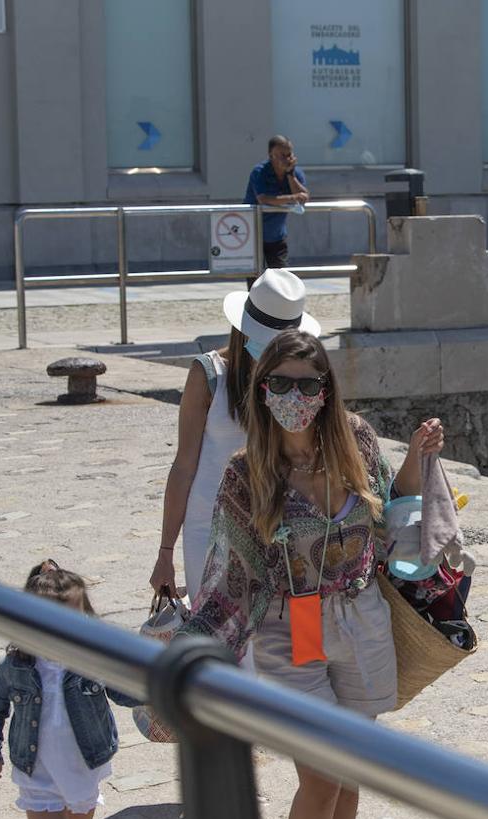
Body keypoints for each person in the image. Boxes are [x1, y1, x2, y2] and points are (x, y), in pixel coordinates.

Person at [178, 330, 442, 819]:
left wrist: (418, 461)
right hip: (291, 627)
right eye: (279, 383)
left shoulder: (359, 442)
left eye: (306, 384)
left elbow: (386, 519)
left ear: (326, 390)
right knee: (321, 777)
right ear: (261, 390)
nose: (293, 395)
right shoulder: (245, 475)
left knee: (347, 776)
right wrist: (187, 655)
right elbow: (230, 582)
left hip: (362, 616)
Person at [149, 268, 322, 603]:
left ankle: (307, 654)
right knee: (220, 629)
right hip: (212, 525)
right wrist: (165, 552)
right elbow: (184, 465)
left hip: (285, 519)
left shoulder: (301, 378)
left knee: (294, 632)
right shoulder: (209, 374)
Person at [0, 561, 141, 819]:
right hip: (37, 769)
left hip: (81, 765)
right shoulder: (16, 666)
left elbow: (126, 691)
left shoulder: (93, 659)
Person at [243, 136, 310, 284]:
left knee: (282, 279)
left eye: (289, 155)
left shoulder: (295, 173)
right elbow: (264, 199)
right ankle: (255, 307)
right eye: (282, 155)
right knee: (256, 281)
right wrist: (293, 197)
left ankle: (279, 307)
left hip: (276, 235)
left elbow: (303, 196)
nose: (287, 159)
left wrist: (290, 175)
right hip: (253, 234)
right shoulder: (259, 172)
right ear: (271, 155)